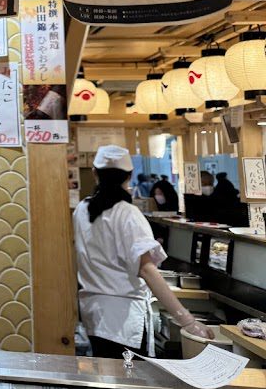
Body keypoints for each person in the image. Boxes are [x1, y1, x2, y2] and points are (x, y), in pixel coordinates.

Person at [74, 145, 212, 359]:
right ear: (129, 176)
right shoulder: (127, 213)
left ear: (94, 173)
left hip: (92, 315)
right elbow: (147, 270)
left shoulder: (81, 210)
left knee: (104, 376)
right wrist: (188, 321)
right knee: (127, 378)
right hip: (122, 322)